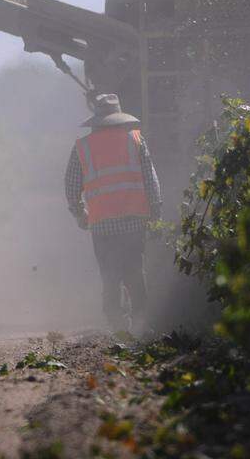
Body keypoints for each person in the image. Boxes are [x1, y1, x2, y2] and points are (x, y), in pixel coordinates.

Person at [64, 92, 162, 332]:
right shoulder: (136, 140)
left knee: (110, 276)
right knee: (134, 272)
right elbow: (151, 180)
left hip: (102, 225)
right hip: (133, 221)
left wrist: (80, 213)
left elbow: (71, 186)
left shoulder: (82, 147)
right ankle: (140, 325)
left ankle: (117, 327)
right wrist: (156, 213)